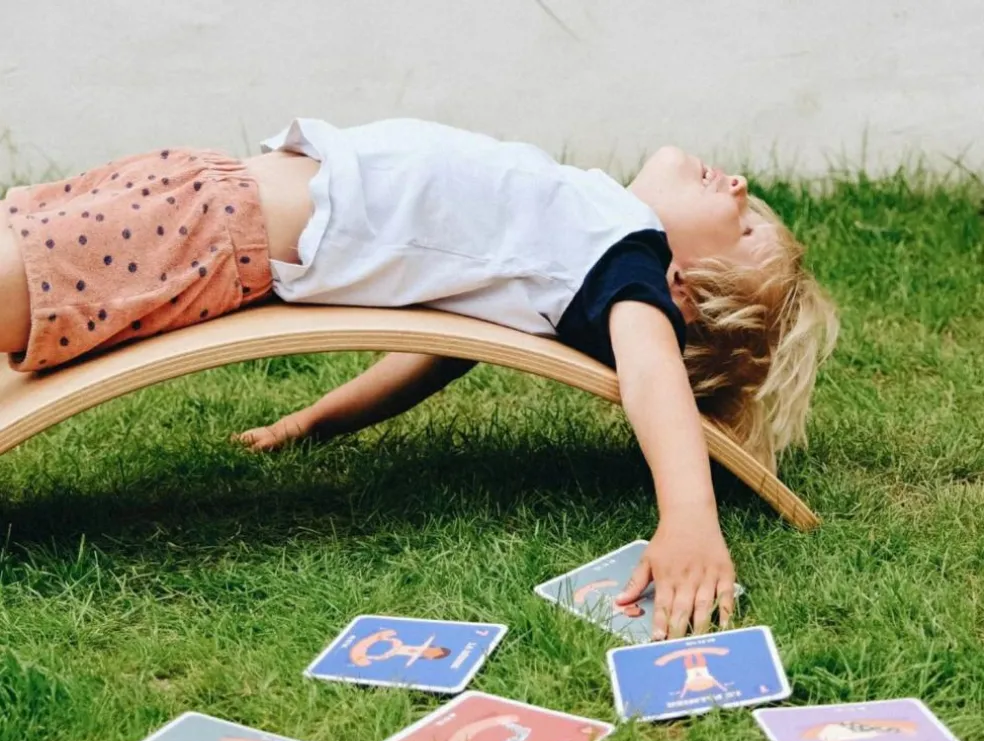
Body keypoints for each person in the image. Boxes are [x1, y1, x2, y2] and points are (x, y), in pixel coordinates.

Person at [0, 118, 838, 640]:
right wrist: (323, 420)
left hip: (204, 225)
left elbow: (650, 372)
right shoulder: (566, 241)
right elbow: (442, 348)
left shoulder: (627, 262)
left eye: (749, 227)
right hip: (202, 188)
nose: (740, 185)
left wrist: (689, 518)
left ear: (686, 295)